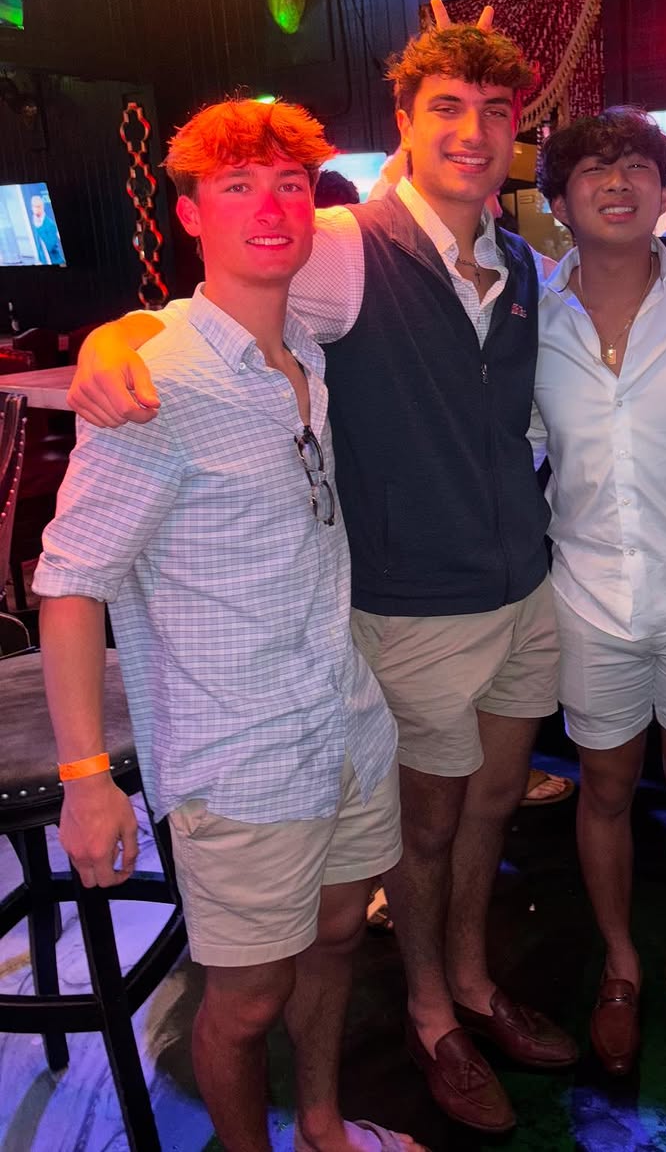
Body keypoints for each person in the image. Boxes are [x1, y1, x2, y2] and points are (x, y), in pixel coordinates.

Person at [66, 24, 577, 1135]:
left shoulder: (522, 261)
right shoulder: (344, 245)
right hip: (406, 608)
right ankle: (433, 1015)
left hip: (517, 588)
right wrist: (121, 335)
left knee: (494, 805)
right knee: (426, 831)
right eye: (446, 108)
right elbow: (227, 303)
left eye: (495, 113)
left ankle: (471, 984)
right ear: (405, 125)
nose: (474, 133)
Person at [34, 99, 414, 1152]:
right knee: (244, 1004)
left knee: (337, 938)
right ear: (192, 215)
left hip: (345, 722)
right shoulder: (156, 382)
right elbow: (69, 583)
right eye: (237, 186)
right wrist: (87, 777)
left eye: (289, 184)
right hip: (238, 759)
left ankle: (325, 1126)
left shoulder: (306, 352)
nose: (270, 207)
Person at [532, 107, 666, 1075]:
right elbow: (521, 450)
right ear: (558, 201)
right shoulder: (531, 318)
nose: (616, 182)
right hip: (587, 595)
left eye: (636, 167)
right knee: (607, 788)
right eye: (592, 169)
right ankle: (621, 962)